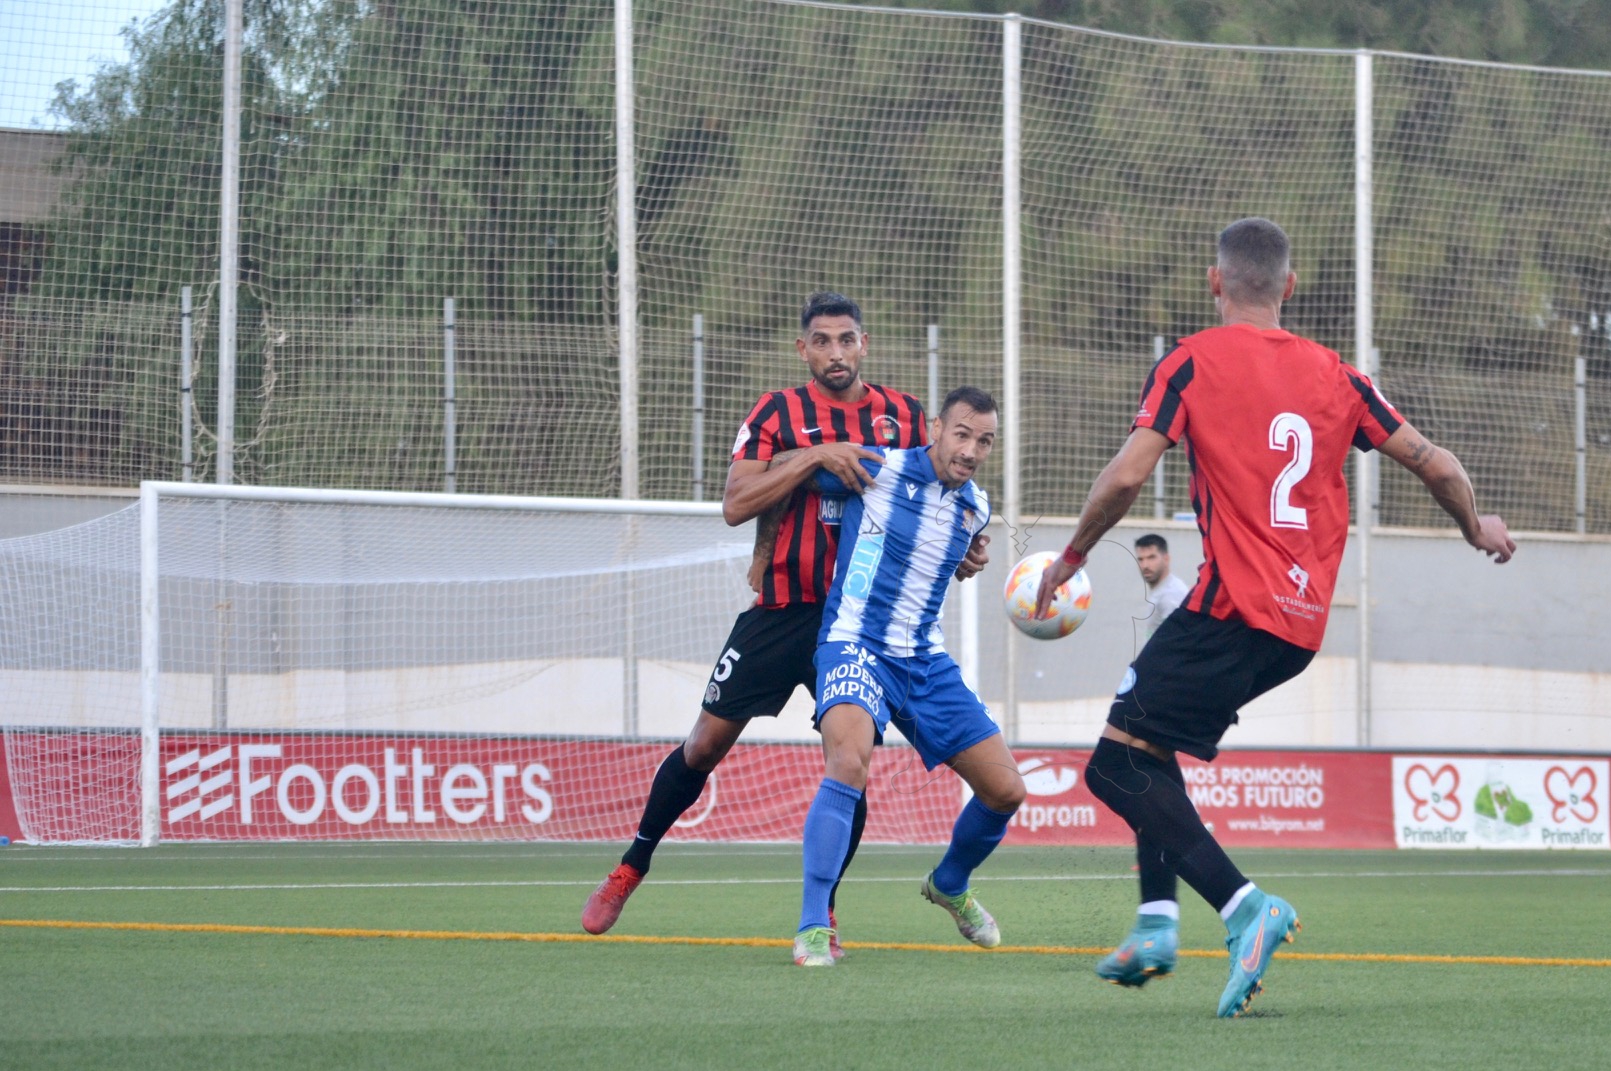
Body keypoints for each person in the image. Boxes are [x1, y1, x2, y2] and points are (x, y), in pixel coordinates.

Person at [1034, 218, 1515, 1016]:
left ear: (1214, 281)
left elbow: (1125, 477)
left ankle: (1243, 906)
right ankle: (1156, 920)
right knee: (1144, 741)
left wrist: (1072, 557)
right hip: (1296, 626)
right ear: (1287, 288)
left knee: (1114, 767)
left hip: (1231, 605)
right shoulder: (1337, 376)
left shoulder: (1188, 362)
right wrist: (1475, 527)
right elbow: (1435, 461)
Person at [581, 291, 989, 949]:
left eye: (847, 339)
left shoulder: (908, 416)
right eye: (822, 341)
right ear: (803, 349)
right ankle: (632, 864)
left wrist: (965, 547)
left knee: (849, 763)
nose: (836, 352)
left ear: (865, 345)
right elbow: (736, 502)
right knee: (703, 745)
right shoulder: (776, 413)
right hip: (784, 610)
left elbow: (945, 490)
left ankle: (822, 913)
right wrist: (813, 456)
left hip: (863, 628)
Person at [790, 386, 1027, 966]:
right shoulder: (875, 467)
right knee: (848, 763)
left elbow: (959, 554)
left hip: (923, 660)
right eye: (963, 434)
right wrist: (765, 546)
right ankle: (812, 926)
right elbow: (785, 475)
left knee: (1006, 789)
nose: (971, 450)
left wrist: (973, 559)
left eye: (985, 441)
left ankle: (949, 882)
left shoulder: (976, 506)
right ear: (936, 429)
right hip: (855, 645)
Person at [1133, 533, 1189, 637]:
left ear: (1166, 559)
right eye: (1141, 559)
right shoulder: (1161, 591)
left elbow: (1178, 641)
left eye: (1151, 557)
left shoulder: (1170, 595)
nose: (1145, 565)